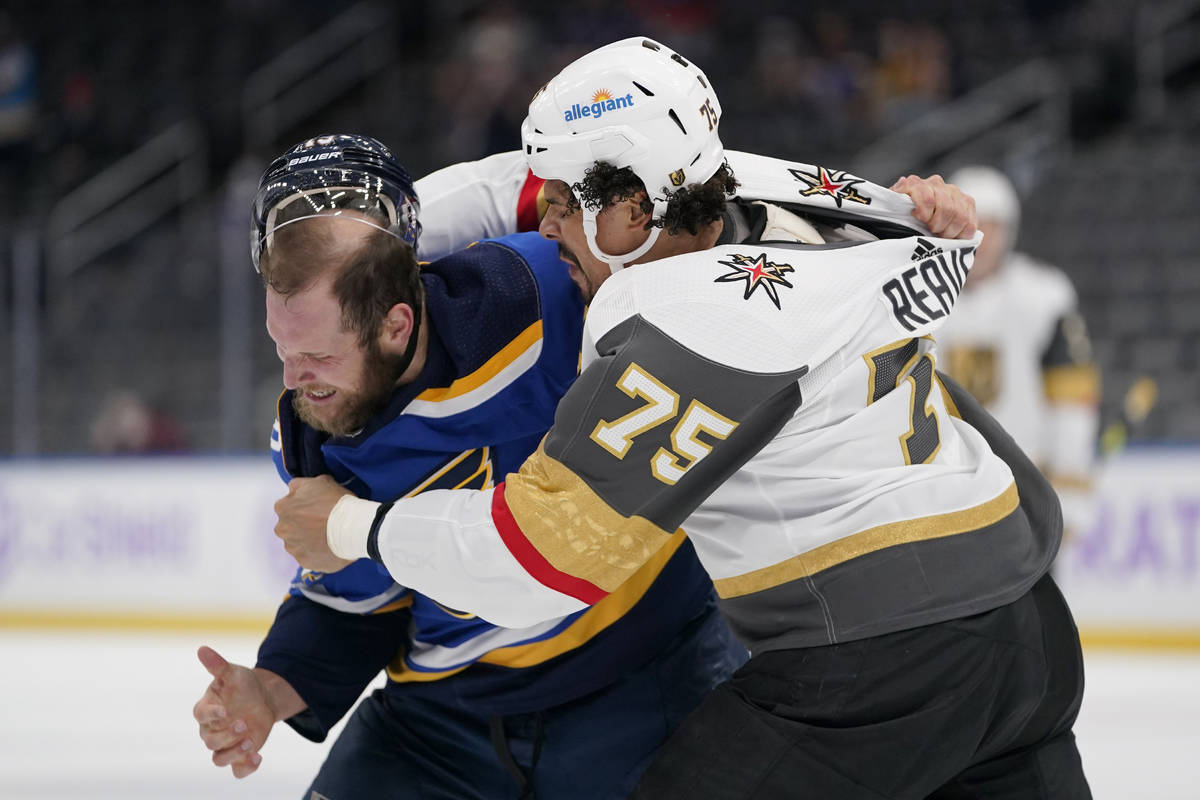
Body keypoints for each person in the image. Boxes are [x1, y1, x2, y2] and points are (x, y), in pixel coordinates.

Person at [274, 38, 1091, 799]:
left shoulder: (682, 327)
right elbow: (501, 185)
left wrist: (354, 527)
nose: (543, 220)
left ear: (631, 210)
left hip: (882, 664)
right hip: (1032, 632)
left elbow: (538, 563)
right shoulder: (765, 186)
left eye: (562, 203)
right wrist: (368, 255)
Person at [192, 133, 749, 800]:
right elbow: (362, 602)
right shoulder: (317, 436)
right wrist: (270, 688)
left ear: (396, 324)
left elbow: (702, 219)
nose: (293, 379)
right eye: (281, 347)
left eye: (317, 354)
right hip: (442, 725)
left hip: (651, 680)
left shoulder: (551, 297)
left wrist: (893, 211)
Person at [934, 164, 1101, 540]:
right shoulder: (921, 296)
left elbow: (1071, 398)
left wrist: (1070, 487)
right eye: (974, 224)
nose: (983, 238)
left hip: (1025, 488)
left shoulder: (1044, 296)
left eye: (994, 226)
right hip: (942, 490)